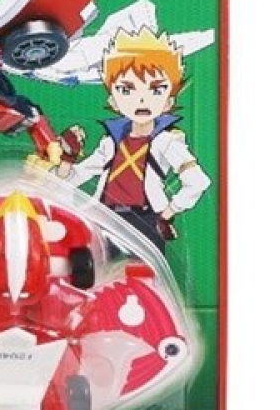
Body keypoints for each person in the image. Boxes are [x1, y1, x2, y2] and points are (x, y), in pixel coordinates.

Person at [59, 27, 210, 252]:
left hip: (145, 221)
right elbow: (68, 181)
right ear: (113, 101)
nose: (141, 100)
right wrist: (67, 157)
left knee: (142, 272)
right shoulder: (110, 143)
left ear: (168, 102)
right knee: (94, 269)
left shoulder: (166, 142)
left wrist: (167, 213)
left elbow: (198, 181)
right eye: (127, 89)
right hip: (105, 219)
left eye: (156, 90)